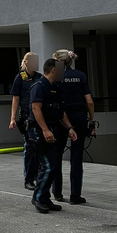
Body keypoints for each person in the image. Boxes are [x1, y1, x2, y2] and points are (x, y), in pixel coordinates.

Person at [28, 58, 78, 214]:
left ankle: (44, 197)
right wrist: (45, 130)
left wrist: (69, 127)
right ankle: (39, 198)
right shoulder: (39, 87)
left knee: (54, 165)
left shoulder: (55, 87)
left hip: (52, 128)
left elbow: (60, 111)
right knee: (48, 165)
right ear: (54, 70)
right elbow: (36, 109)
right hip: (39, 130)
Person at [51, 49, 96, 205]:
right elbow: (89, 101)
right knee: (76, 157)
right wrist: (91, 120)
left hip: (61, 118)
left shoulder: (56, 77)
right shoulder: (80, 75)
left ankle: (57, 192)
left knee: (57, 154)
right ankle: (75, 195)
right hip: (79, 117)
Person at [9, 52, 42, 191]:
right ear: (26, 62)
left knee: (39, 148)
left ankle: (38, 176)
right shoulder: (21, 77)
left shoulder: (39, 77)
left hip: (39, 115)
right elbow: (15, 99)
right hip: (27, 116)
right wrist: (12, 118)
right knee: (30, 147)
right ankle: (29, 179)